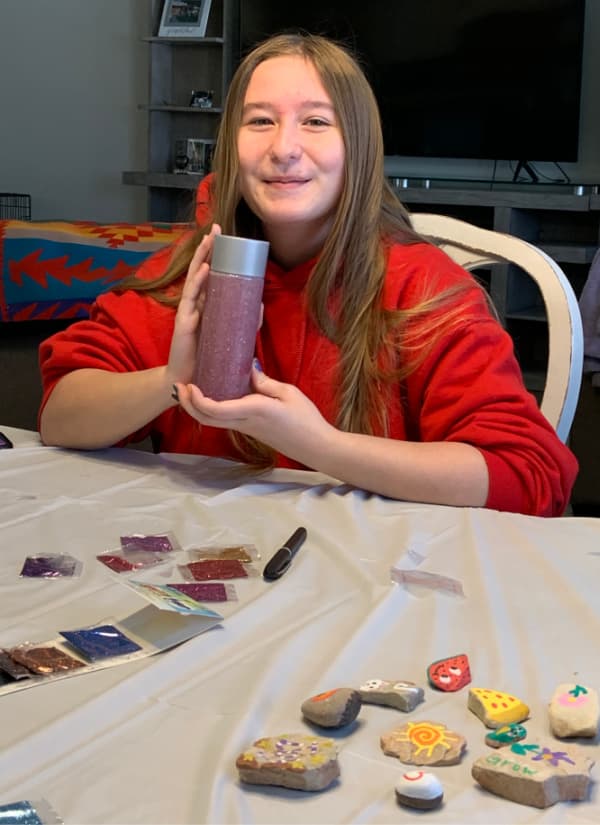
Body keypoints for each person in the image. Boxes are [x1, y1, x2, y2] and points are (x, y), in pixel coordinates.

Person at [38, 33, 577, 517]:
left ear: (358, 148)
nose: (283, 148)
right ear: (231, 144)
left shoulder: (423, 290)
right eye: (260, 120)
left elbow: (530, 477)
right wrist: (167, 381)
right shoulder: (195, 274)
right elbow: (60, 416)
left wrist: (318, 444)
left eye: (316, 121)